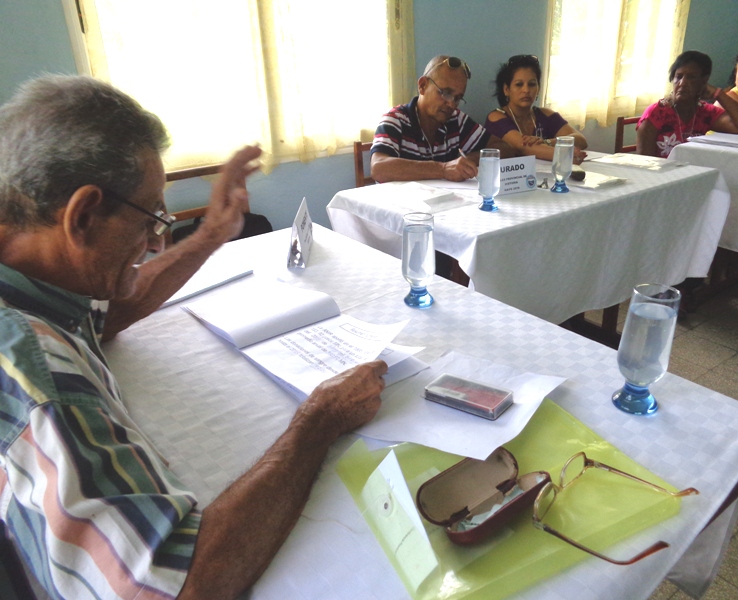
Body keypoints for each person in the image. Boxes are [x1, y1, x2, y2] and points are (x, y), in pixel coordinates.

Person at [0, 75, 387, 599]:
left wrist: (210, 234)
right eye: (150, 218)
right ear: (83, 215)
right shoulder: (39, 373)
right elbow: (177, 588)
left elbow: (104, 313)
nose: (157, 237)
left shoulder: (29, 261)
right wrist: (321, 419)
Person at [370, 55, 512, 183]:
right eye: (446, 93)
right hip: (402, 207)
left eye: (457, 98)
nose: (451, 104)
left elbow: (505, 148)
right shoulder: (395, 120)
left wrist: (466, 161)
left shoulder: (455, 119)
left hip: (441, 206)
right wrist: (443, 169)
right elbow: (379, 168)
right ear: (422, 85)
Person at [637, 50, 738, 158]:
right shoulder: (656, 113)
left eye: (691, 77)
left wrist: (719, 94)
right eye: (678, 77)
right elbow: (643, 161)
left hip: (693, 174)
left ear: (704, 81)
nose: (682, 83)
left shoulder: (706, 112)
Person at [484, 54, 587, 163]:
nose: (526, 90)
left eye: (532, 84)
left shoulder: (545, 114)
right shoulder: (496, 117)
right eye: (519, 84)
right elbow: (523, 147)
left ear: (538, 88)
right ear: (506, 89)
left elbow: (580, 140)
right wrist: (565, 155)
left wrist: (547, 142)